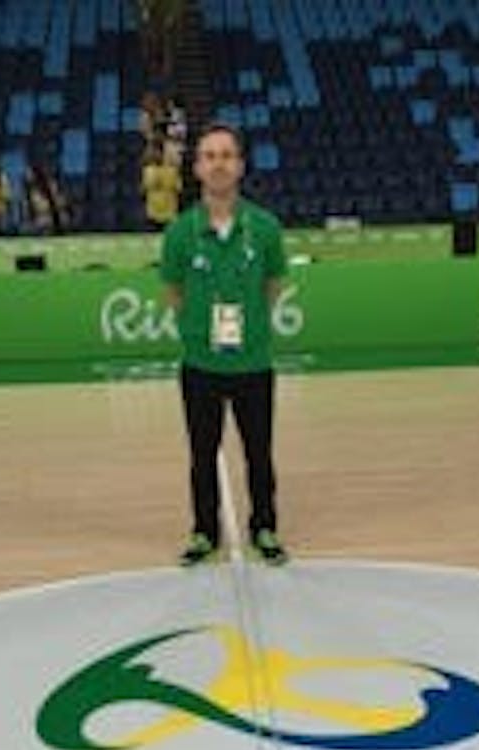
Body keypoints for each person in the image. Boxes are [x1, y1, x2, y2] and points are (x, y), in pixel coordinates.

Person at [160, 123, 289, 566]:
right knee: (201, 455)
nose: (219, 163)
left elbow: (273, 284)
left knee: (259, 453)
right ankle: (204, 532)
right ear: (196, 167)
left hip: (253, 364)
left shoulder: (266, 227)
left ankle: (265, 526)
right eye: (210, 156)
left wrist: (251, 325)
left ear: (240, 165)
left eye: (227, 155)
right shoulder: (179, 232)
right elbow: (174, 291)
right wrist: (197, 329)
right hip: (200, 365)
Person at [142, 140, 182, 230]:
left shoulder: (172, 171)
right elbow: (147, 187)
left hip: (169, 213)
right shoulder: (149, 170)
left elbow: (178, 188)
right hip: (153, 212)